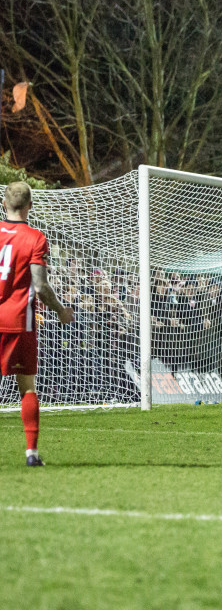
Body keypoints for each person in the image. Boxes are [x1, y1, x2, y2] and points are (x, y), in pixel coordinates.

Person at [0, 181, 74, 466]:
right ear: (30, 205)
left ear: (4, 205)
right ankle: (31, 454)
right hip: (19, 321)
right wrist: (60, 311)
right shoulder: (35, 238)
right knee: (27, 388)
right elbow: (41, 286)